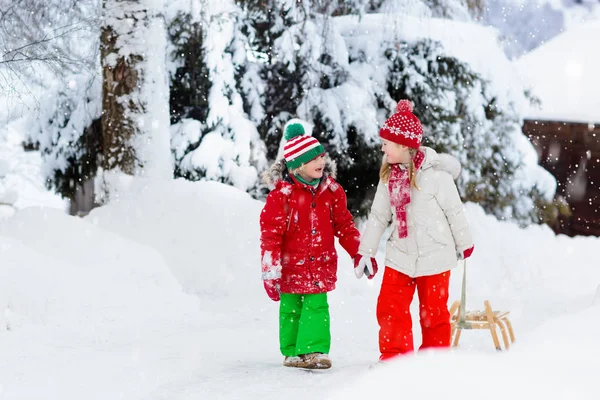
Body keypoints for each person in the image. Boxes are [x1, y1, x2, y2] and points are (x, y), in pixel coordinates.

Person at [354, 100, 474, 361]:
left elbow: (454, 210)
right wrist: (366, 252)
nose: (383, 147)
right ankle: (396, 360)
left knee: (433, 314)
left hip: (436, 255)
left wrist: (464, 242)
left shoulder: (436, 175)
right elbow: (378, 215)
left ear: (403, 145)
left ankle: (434, 361)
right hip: (401, 253)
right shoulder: (388, 176)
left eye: (387, 142)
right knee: (390, 309)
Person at [260, 122, 361, 369]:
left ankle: (314, 350)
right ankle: (293, 351)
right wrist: (270, 271)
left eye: (322, 156)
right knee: (291, 309)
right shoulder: (281, 196)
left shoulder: (332, 192)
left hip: (320, 263)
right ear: (297, 165)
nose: (321, 162)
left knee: (316, 305)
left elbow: (345, 225)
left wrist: (358, 252)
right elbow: (270, 237)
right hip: (290, 265)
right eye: (314, 158)